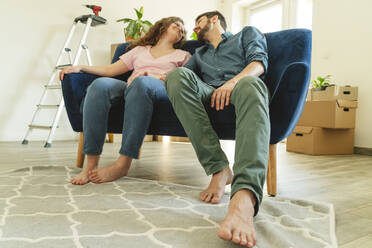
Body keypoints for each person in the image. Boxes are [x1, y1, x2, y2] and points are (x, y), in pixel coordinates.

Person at [165, 11, 270, 247]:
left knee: (252, 83)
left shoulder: (246, 34)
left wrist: (231, 84)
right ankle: (219, 168)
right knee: (177, 76)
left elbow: (258, 63)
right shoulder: (199, 53)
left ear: (214, 19)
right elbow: (181, 78)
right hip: (209, 93)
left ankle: (245, 195)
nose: (193, 28)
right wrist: (145, 73)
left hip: (242, 86)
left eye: (198, 22)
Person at [59, 17, 191, 185]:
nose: (181, 29)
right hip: (131, 86)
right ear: (162, 28)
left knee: (142, 82)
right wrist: (81, 67)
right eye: (176, 25)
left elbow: (184, 79)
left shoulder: (183, 55)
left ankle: (123, 164)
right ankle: (90, 166)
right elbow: (110, 69)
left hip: (160, 89)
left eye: (182, 28)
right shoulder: (140, 50)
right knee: (99, 85)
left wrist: (153, 76)